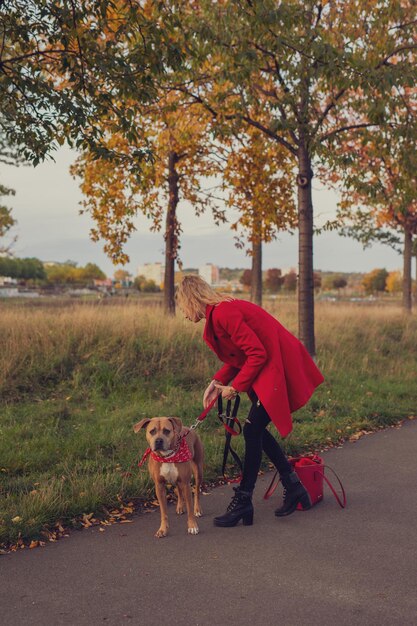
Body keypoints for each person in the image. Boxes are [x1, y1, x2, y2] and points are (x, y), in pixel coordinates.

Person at [176, 275, 324, 527]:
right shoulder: (218, 314)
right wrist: (216, 382)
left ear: (190, 299)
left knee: (252, 429)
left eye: (180, 303)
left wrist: (234, 387)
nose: (181, 310)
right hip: (269, 367)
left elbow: (257, 352)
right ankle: (293, 487)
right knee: (255, 430)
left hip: (278, 366)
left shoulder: (223, 312)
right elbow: (240, 355)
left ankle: (244, 500)